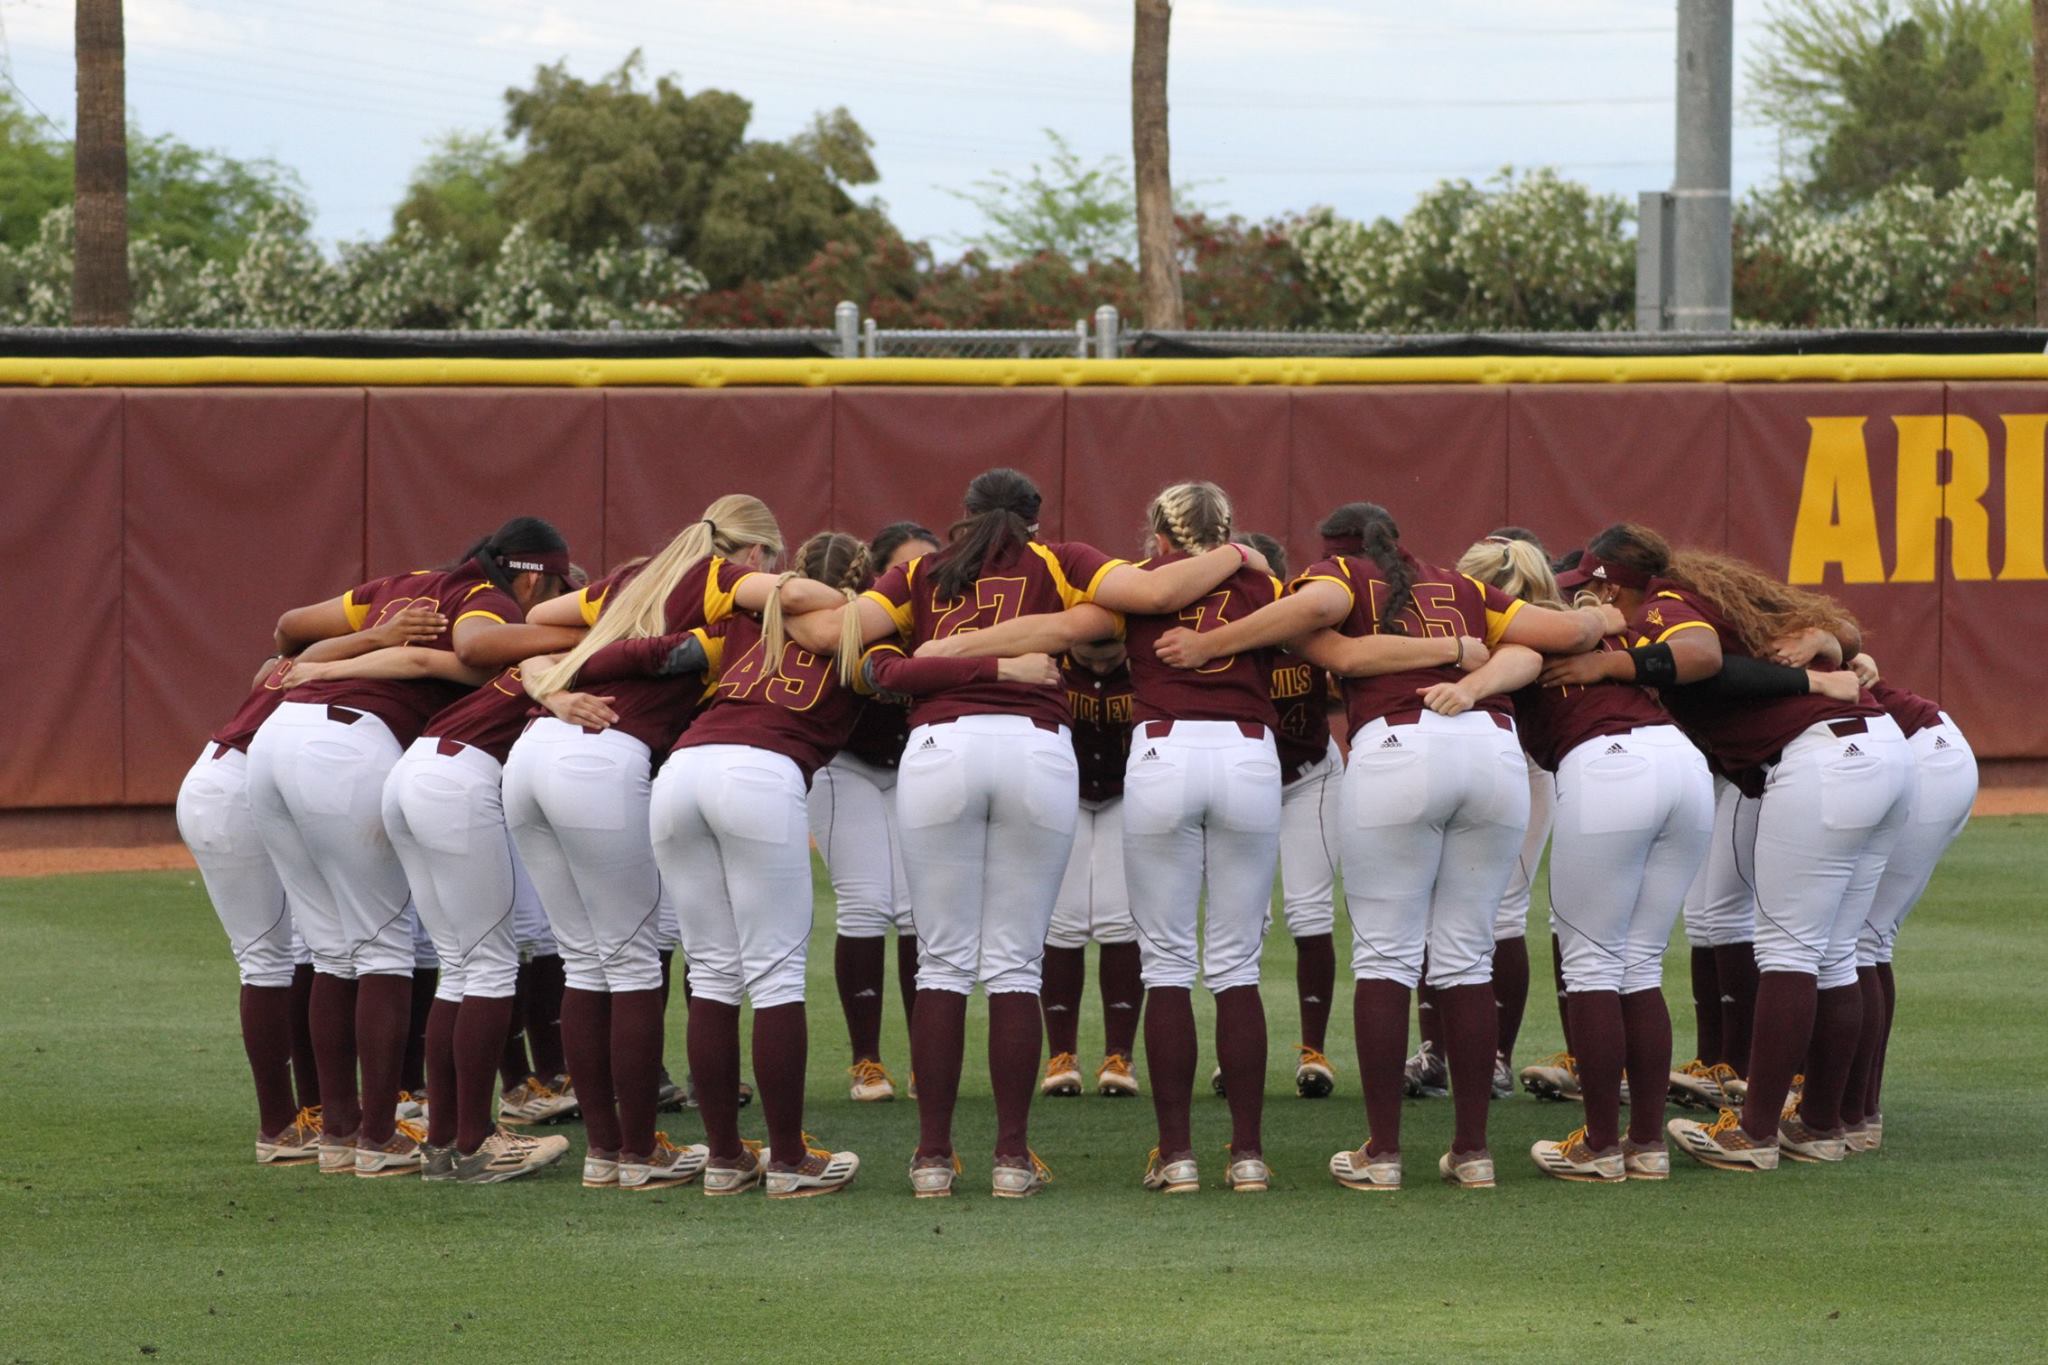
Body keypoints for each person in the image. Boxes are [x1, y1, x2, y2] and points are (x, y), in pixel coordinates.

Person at [1153, 501, 1616, 1191]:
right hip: (1492, 750)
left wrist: (1214, 642)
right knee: (1466, 952)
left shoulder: (1342, 574)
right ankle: (1473, 1150)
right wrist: (1600, 619)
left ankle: (1385, 1151)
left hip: (1400, 744)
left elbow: (1325, 631)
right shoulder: (1460, 587)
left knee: (1386, 955)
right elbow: (1561, 630)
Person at [835, 467, 1266, 1199]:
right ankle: (1010, 1156)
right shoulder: (1063, 559)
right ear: (1034, 521)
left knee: (940, 960)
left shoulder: (921, 571)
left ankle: (933, 1156)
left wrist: (923, 654)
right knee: (1013, 964)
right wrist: (1237, 554)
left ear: (963, 516)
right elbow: (1138, 603)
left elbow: (845, 644)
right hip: (1036, 747)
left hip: (940, 748)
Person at [1540, 524, 1915, 1171]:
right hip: (1878, 749)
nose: (1585, 604)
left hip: (1822, 757)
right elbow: (1842, 634)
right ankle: (1823, 1124)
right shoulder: (1714, 592)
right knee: (1832, 951)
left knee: (1791, 949)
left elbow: (1700, 658)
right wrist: (1828, 650)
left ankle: (1757, 1132)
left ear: (1611, 583)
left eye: (1589, 590)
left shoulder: (1662, 605)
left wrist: (1609, 662)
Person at [510, 496, 845, 1192]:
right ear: (751, 552)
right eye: (767, 558)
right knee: (635, 965)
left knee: (585, 962)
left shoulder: (638, 576)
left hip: (535, 754)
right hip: (606, 754)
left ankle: (607, 1151)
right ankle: (641, 1151)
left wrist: (593, 657)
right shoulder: (720, 576)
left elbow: (540, 619)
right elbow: (799, 596)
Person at [247, 517, 584, 1178]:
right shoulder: (487, 598)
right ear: (534, 573)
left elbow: (287, 629)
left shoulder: (399, 584)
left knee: (330, 949)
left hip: (277, 737)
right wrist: (587, 633)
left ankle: (339, 1131)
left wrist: (343, 647)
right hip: (353, 742)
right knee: (384, 949)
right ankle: (378, 1135)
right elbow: (466, 650)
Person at [645, 531, 915, 1198]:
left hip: (682, 770)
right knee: (773, 975)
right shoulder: (867, 633)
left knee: (710, 969)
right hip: (761, 773)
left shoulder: (743, 614)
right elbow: (893, 676)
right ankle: (790, 1160)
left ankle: (725, 1157)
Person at [1444, 536, 1716, 1182]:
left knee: (1592, 963)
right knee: (1639, 963)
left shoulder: (1515, 633)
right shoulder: (1589, 616)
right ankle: (1646, 1143)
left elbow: (1513, 662)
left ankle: (1600, 1143)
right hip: (1683, 765)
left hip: (1609, 766)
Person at [176, 603, 449, 1163]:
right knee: (323, 952)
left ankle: (305, 1122)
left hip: (222, 772)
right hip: (255, 783)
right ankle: (317, 1123)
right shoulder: (376, 657)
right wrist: (377, 639)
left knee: (293, 955)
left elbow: (269, 668)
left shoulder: (319, 656)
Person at [808, 521, 940, 1103]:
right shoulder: (856, 615)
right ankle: (866, 1061)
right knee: (864, 902)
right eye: (907, 567)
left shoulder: (950, 612)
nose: (921, 576)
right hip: (847, 763)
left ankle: (922, 1060)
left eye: (931, 564)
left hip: (916, 762)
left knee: (917, 908)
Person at [1840, 656, 1976, 1152]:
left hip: (1924, 755)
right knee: (1864, 938)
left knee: (1862, 937)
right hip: (1917, 750)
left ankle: (1853, 1112)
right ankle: (1856, 1108)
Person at [1236, 531, 1342, 1101]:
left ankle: (1314, 1050)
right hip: (1245, 776)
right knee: (1243, 915)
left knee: (1310, 909)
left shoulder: (1310, 627)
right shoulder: (1222, 628)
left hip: (1309, 774)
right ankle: (1238, 1047)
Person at [1040, 635, 1143, 1101]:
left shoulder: (1144, 663)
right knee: (1062, 923)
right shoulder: (1048, 660)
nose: (1100, 662)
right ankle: (1061, 1055)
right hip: (1065, 791)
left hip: (1127, 792)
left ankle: (1118, 1054)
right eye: (1089, 654)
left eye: (1109, 653)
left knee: (1121, 917)